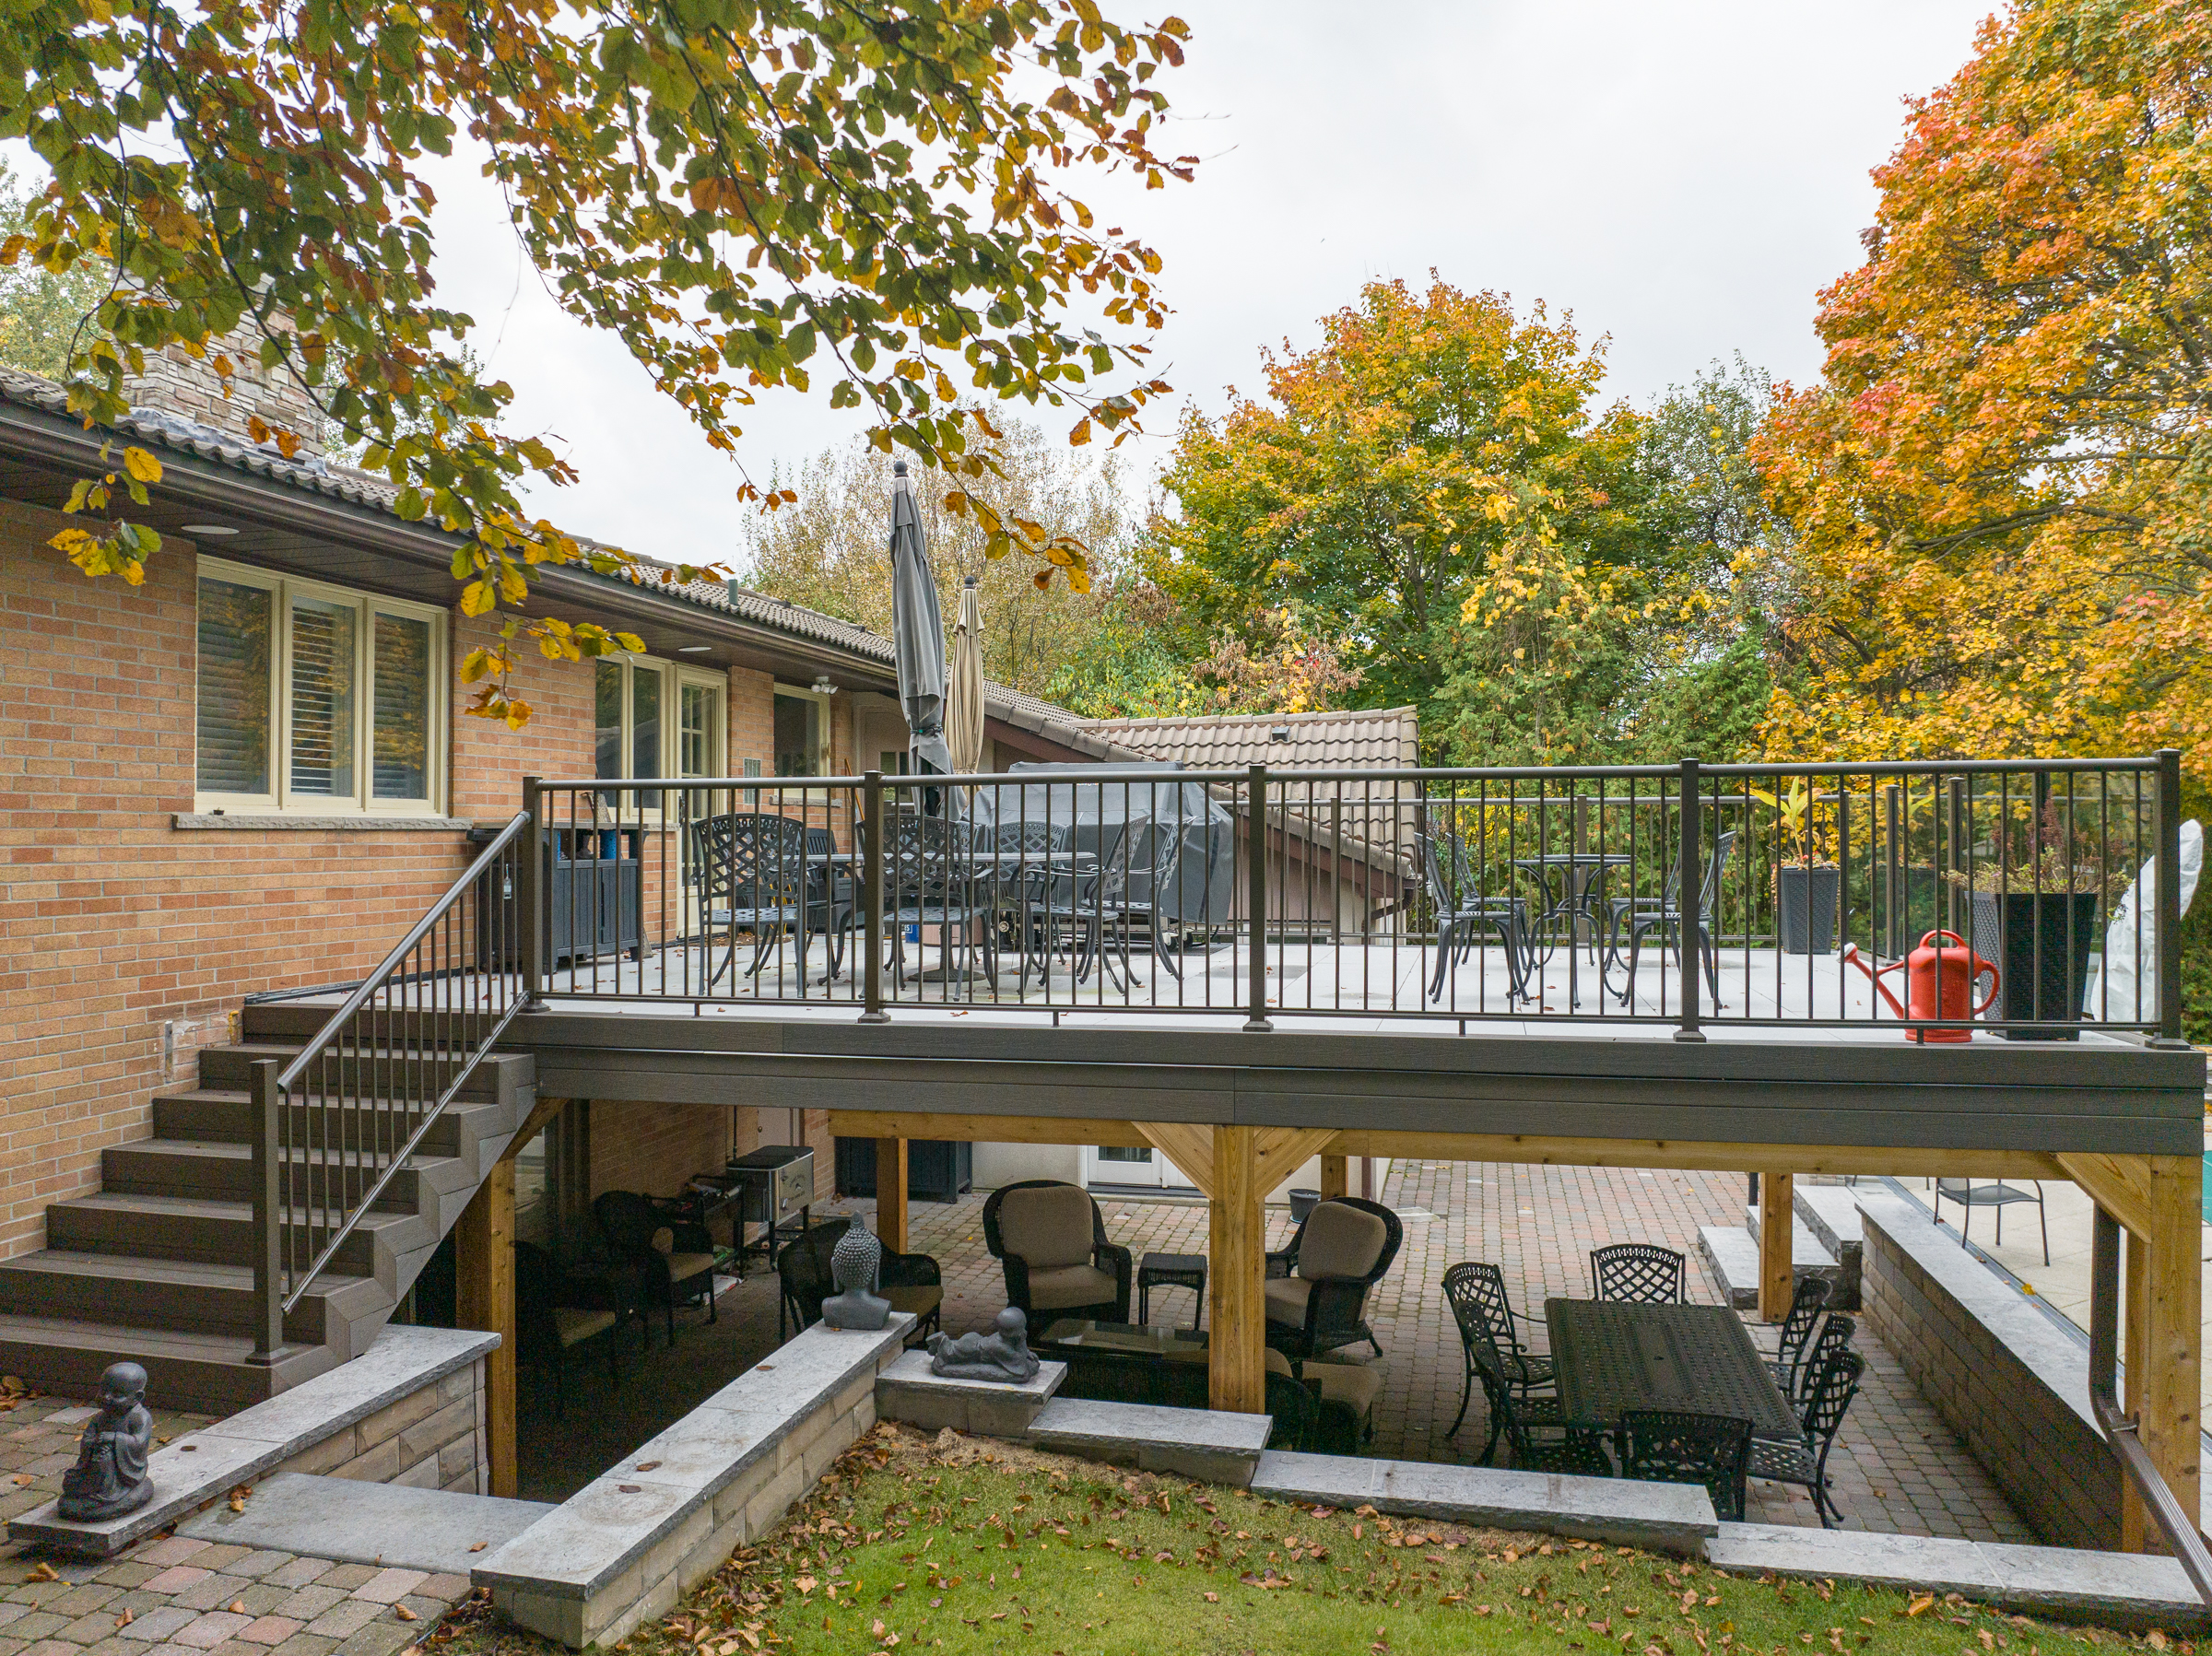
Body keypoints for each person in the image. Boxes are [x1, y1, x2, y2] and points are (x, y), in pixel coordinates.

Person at [58, 1361, 155, 1521]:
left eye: (117, 1394)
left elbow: (139, 1442)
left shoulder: (140, 1417)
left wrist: (115, 1439)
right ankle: (90, 1491)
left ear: (137, 1397)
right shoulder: (101, 1418)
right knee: (71, 1481)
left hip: (123, 1469)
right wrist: (94, 1443)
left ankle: (106, 1495)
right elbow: (88, 1438)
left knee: (107, 1459)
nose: (107, 1398)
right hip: (93, 1463)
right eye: (103, 1391)